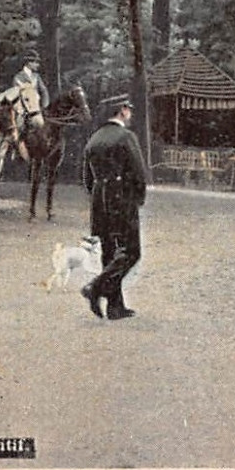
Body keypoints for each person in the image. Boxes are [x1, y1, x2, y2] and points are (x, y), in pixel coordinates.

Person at [80, 93, 147, 321]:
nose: (130, 113)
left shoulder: (94, 138)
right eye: (128, 109)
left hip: (100, 201)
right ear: (122, 111)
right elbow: (139, 172)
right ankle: (95, 288)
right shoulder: (126, 136)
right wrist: (137, 198)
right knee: (131, 251)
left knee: (110, 253)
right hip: (122, 198)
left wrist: (98, 197)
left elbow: (87, 179)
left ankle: (115, 307)